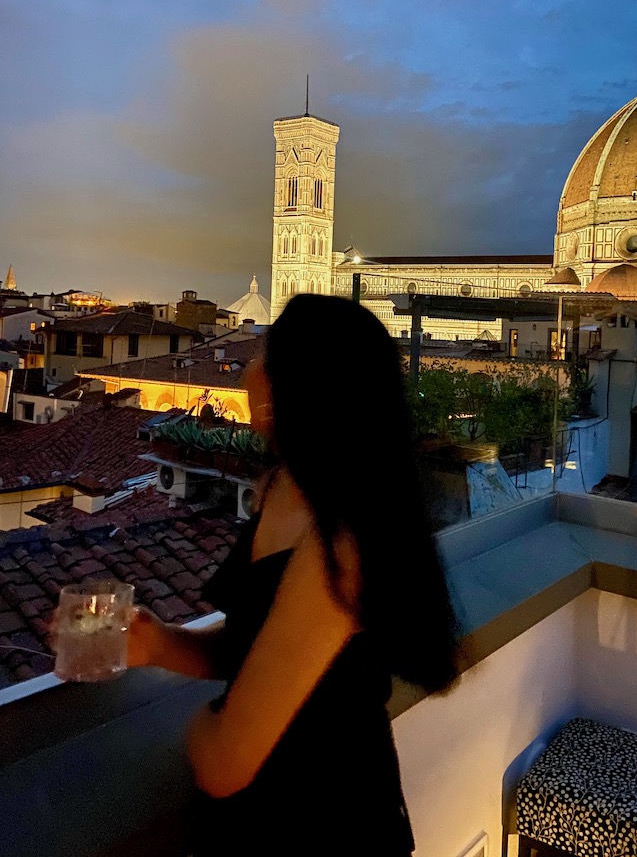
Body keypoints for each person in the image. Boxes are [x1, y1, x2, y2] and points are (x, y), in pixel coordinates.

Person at [128, 293, 461, 855]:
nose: (249, 366)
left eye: (262, 351)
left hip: (323, 830)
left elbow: (224, 764)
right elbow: (255, 644)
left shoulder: (337, 543)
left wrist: (191, 731)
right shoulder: (282, 486)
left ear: (298, 385)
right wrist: (158, 642)